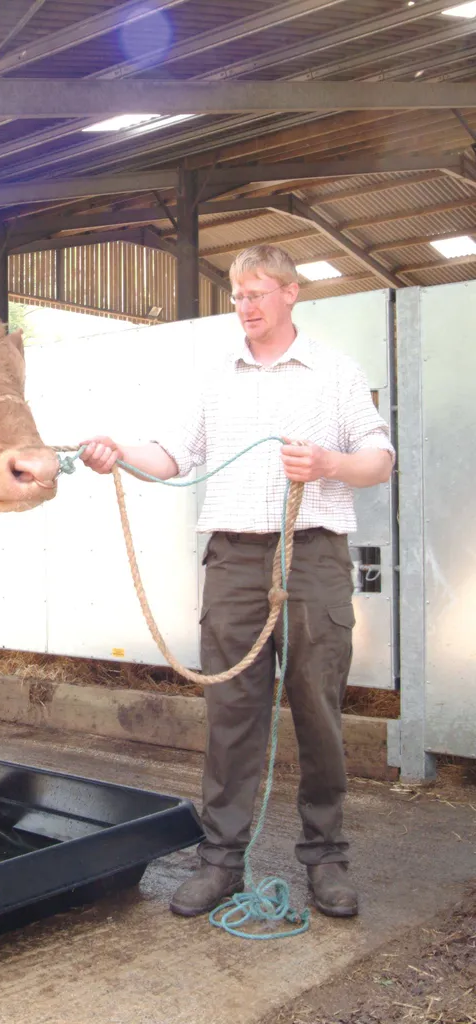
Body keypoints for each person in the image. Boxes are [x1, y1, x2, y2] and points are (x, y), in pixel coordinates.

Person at [80, 244, 394, 919]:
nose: (244, 307)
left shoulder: (333, 372)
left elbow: (380, 460)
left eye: (257, 293)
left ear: (290, 293)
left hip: (310, 556)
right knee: (230, 715)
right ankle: (220, 859)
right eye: (237, 294)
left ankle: (326, 855)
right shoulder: (213, 376)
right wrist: (118, 452)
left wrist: (331, 462)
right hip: (232, 562)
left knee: (318, 710)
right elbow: (170, 457)